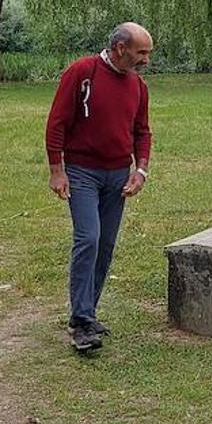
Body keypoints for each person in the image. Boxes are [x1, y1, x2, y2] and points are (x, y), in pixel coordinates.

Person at [45, 22, 154, 353]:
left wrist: (141, 171)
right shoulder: (82, 72)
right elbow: (57, 122)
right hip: (82, 173)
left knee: (105, 244)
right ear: (121, 48)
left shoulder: (138, 85)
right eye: (142, 52)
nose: (146, 60)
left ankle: (87, 313)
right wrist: (56, 171)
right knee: (88, 239)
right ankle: (79, 323)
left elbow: (142, 132)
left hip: (117, 176)